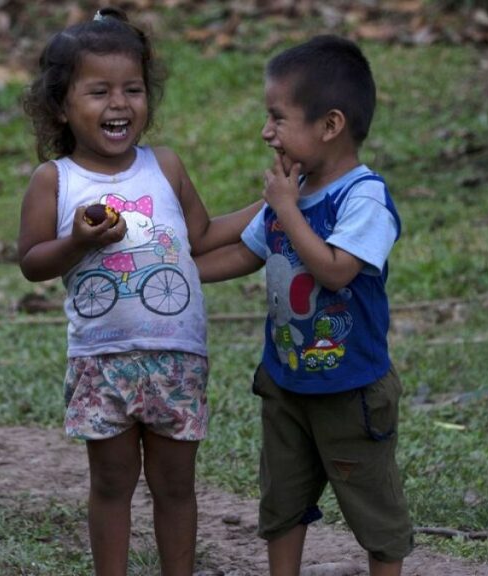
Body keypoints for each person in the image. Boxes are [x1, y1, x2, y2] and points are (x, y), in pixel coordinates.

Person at [16, 7, 259, 576]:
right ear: (61, 105)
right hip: (102, 360)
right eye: (98, 91)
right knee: (111, 485)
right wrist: (75, 240)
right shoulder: (56, 180)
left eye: (132, 89)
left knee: (177, 488)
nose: (119, 104)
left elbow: (202, 235)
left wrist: (272, 203)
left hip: (177, 357)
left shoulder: (165, 167)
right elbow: (31, 263)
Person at [195, 35, 413, 576]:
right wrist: (175, 272)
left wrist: (287, 209)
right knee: (281, 503)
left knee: (375, 511)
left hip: (351, 389)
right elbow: (244, 252)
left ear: (330, 125)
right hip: (287, 382)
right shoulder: (290, 190)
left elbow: (337, 269)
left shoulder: (362, 198)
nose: (266, 132)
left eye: (278, 118)